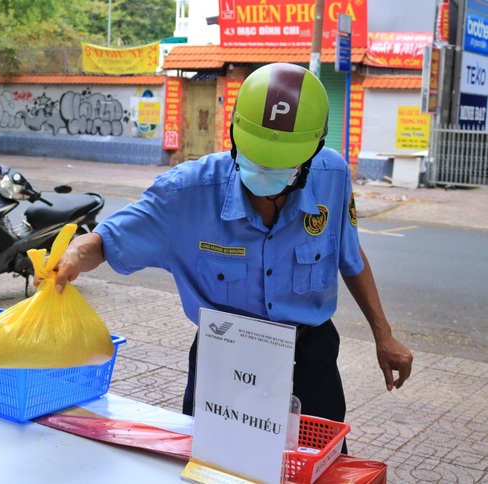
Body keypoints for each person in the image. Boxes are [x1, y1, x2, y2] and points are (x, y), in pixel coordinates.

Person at [50, 63, 413, 434]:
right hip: (224, 358)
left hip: (309, 356)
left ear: (314, 149)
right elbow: (110, 239)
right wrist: (77, 253)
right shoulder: (187, 193)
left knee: (317, 466)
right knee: (218, 465)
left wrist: (383, 335)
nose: (267, 169)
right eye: (257, 155)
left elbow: (350, 257)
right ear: (235, 134)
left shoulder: (332, 176)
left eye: (284, 161)